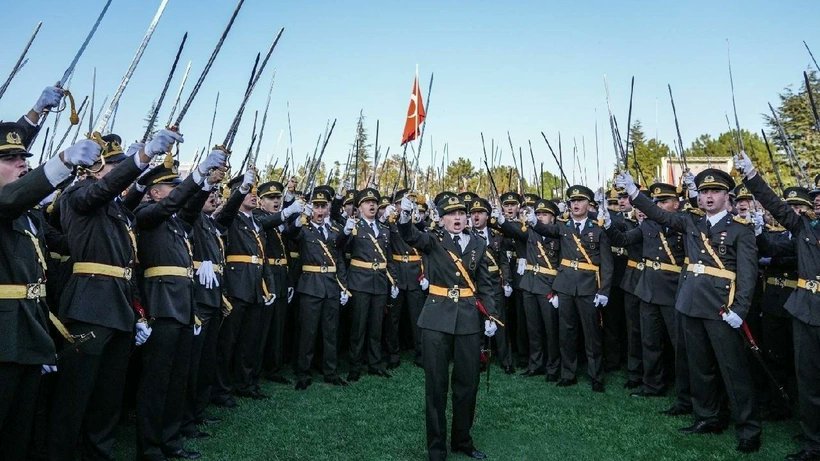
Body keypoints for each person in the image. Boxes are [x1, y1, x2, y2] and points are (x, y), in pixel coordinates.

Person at [50, 130, 177, 460]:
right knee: (73, 395)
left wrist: (136, 313)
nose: (120, 175)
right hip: (88, 307)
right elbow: (106, 188)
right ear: (94, 170)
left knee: (108, 398)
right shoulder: (78, 195)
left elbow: (126, 264)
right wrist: (142, 157)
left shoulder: (118, 211)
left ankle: (98, 453)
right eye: (114, 167)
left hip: (119, 308)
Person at [618, 168, 761, 454]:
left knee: (733, 370)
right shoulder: (691, 221)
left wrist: (740, 309)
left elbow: (748, 275)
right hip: (690, 303)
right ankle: (708, 416)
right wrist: (634, 192)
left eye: (715, 192)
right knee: (700, 366)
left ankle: (748, 428)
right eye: (705, 192)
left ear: (727, 196)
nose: (709, 197)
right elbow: (660, 215)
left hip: (722, 308)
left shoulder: (740, 229)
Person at [0, 115, 99, 461]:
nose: (22, 164)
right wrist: (62, 162)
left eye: (24, 157)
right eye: (10, 159)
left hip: (27, 334)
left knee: (19, 432)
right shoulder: (8, 205)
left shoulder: (28, 217)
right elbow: (10, 199)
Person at [134, 147, 226, 461]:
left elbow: (189, 206)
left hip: (183, 307)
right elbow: (175, 204)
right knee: (156, 383)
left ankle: (171, 439)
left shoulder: (176, 224)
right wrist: (197, 174)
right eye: (172, 188)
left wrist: (204, 183)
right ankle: (149, 446)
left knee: (176, 380)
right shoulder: (146, 215)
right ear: (155, 192)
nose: (176, 193)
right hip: (161, 307)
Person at [398, 194, 498, 461]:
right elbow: (410, 235)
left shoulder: (478, 242)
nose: (457, 218)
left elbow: (486, 284)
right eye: (450, 214)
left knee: (468, 384)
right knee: (436, 386)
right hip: (436, 318)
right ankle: (437, 449)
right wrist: (405, 216)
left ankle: (462, 440)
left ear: (467, 218)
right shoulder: (432, 240)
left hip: (468, 319)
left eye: (461, 213)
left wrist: (491, 317)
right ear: (441, 220)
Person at [735, 152, 819, 460]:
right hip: (807, 310)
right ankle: (812, 440)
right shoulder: (806, 230)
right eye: (817, 196)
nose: (818, 200)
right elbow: (776, 206)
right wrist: (753, 176)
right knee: (808, 378)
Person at [601, 183, 690, 405]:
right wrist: (609, 224)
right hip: (648, 290)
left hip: (674, 290)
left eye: (663, 201)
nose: (657, 205)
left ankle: (686, 393)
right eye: (656, 202)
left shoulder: (685, 223)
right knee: (649, 341)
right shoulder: (648, 225)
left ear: (676, 204)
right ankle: (652, 385)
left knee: (680, 345)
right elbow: (623, 240)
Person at [527, 186, 614, 392]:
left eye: (580, 201)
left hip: (588, 286)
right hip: (565, 285)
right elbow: (546, 229)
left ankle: (596, 376)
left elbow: (607, 265)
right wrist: (533, 220)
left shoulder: (598, 229)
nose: (575, 205)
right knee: (566, 332)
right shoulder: (563, 227)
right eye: (572, 202)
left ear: (588, 205)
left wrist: (604, 291)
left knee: (591, 334)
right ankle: (568, 373)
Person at [285, 188, 350, 390]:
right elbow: (290, 234)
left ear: (328, 208)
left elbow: (339, 260)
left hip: (330, 286)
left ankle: (330, 372)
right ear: (311, 208)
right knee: (308, 331)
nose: (320, 211)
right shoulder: (304, 229)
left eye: (323, 206)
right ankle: (303, 372)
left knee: (331, 332)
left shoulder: (335, 231)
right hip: (310, 286)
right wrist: (298, 218)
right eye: (316, 206)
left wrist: (343, 287)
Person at [494, 198, 561, 380]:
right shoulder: (530, 232)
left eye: (544, 214)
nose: (540, 217)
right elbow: (514, 230)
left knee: (551, 329)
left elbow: (563, 264)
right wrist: (501, 220)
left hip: (548, 285)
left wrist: (557, 289)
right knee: (533, 328)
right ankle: (535, 364)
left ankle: (553, 367)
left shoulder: (559, 234)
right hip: (529, 284)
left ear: (553, 218)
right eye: (538, 214)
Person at [339, 187, 398, 380]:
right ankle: (355, 366)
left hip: (379, 282)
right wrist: (346, 232)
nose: (371, 205)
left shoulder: (384, 229)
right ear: (359, 207)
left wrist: (393, 281)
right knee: (358, 327)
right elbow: (339, 249)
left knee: (376, 326)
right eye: (366, 202)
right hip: (359, 281)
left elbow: (388, 258)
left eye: (374, 202)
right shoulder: (354, 226)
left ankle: (375, 363)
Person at [471, 198, 514, 374]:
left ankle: (507, 360)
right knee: (478, 324)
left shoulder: (497, 236)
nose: (476, 216)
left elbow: (503, 261)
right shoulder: (466, 235)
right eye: (473, 213)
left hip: (495, 282)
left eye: (480, 213)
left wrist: (507, 281)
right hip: (475, 285)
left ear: (487, 216)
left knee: (499, 322)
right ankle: (480, 359)